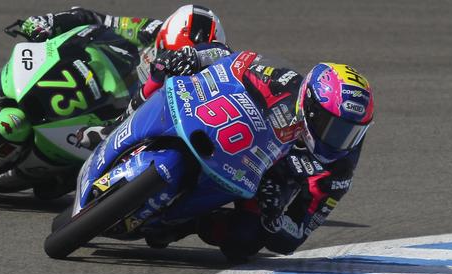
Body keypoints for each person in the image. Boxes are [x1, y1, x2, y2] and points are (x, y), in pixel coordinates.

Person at [111, 49, 374, 261]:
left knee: (245, 241)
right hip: (230, 131)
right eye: (335, 127)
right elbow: (235, 59)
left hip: (269, 181)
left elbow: (295, 235)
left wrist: (275, 219)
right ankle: (116, 126)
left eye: (352, 132)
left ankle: (183, 223)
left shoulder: (338, 170)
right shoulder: (283, 83)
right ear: (311, 105)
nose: (340, 141)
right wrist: (196, 57)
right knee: (168, 70)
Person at [0, 5, 230, 198]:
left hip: (114, 120)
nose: (168, 61)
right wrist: (50, 21)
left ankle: (56, 174)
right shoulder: (149, 29)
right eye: (168, 52)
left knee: (66, 180)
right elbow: (94, 18)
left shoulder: (202, 76)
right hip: (91, 82)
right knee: (33, 60)